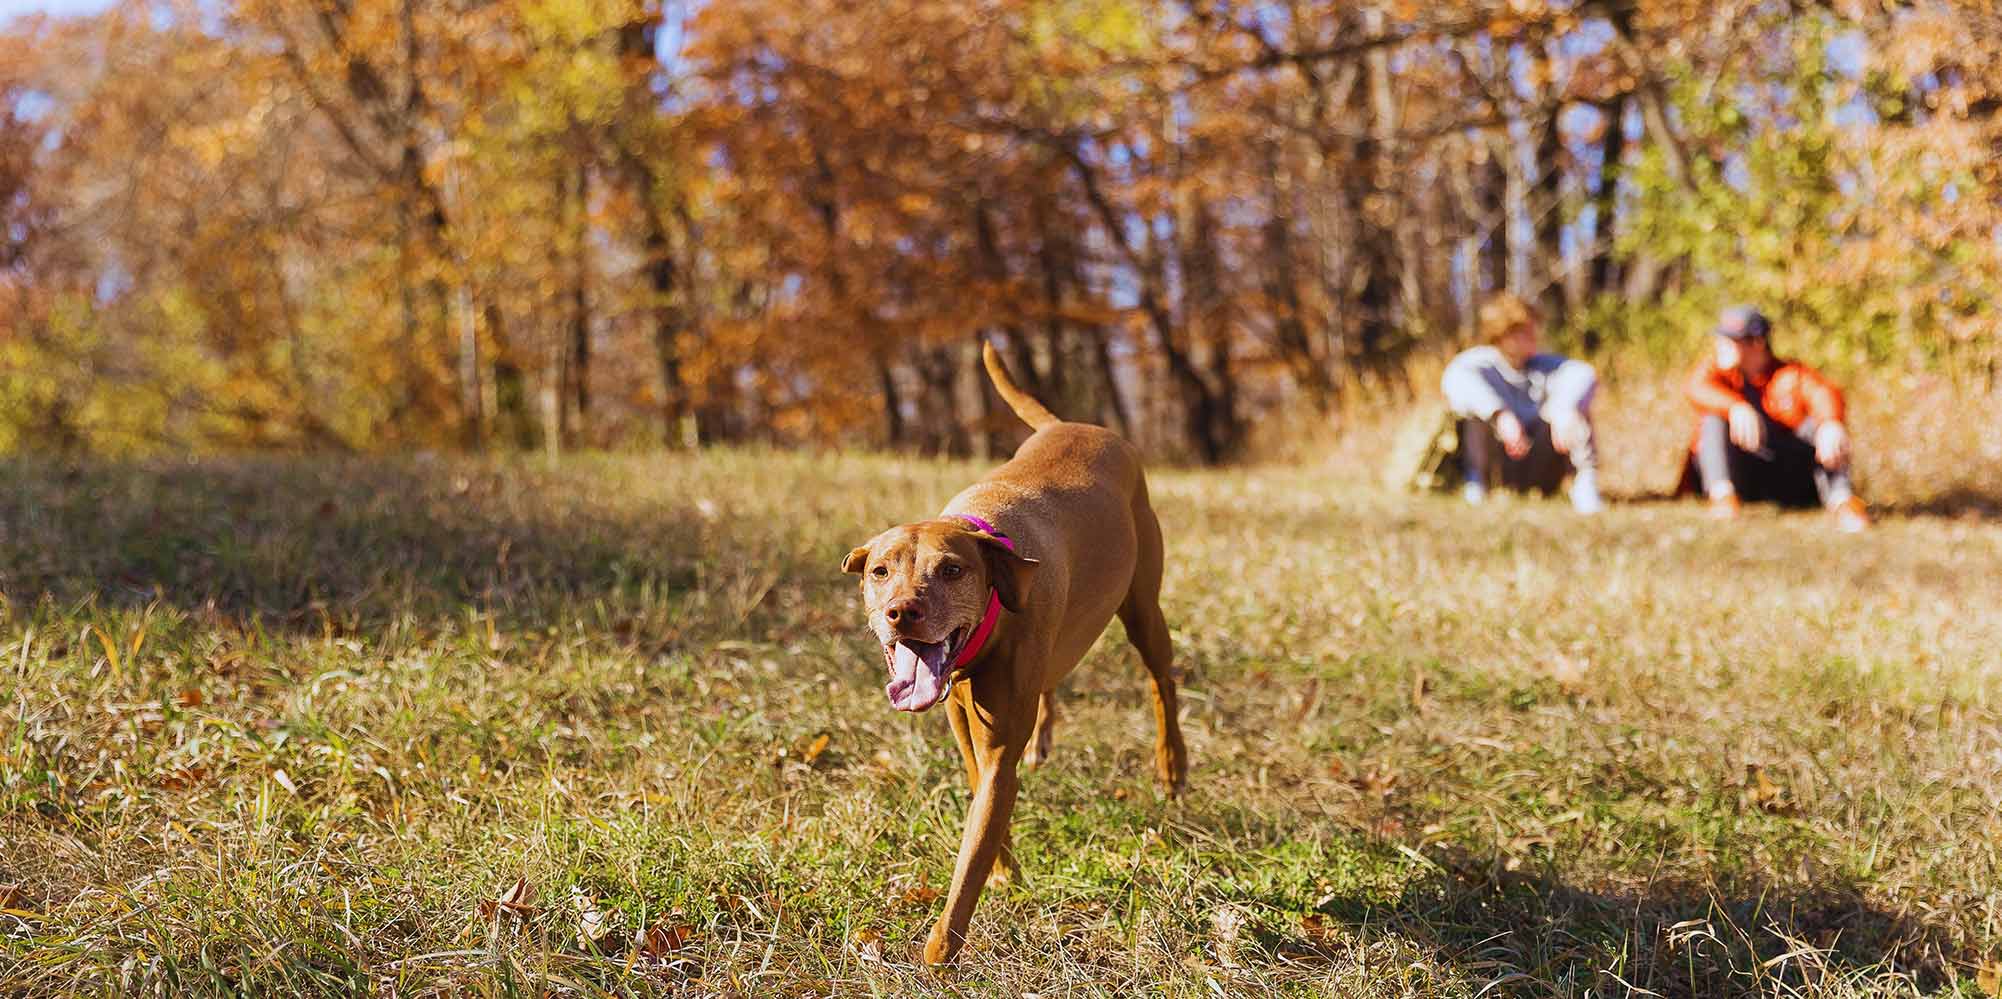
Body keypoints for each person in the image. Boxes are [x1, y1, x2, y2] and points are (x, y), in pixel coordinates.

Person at [1679, 305, 1869, 532]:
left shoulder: (1789, 374)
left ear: (1757, 342)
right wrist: (1736, 406)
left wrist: (1831, 422)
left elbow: (1823, 392)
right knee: (1713, 420)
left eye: (1731, 340)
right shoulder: (1718, 371)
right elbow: (1694, 386)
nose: (1720, 346)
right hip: (1740, 469)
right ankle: (1722, 497)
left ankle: (1843, 501)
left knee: (1818, 429)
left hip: (1785, 473)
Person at [1440, 294, 1602, 513]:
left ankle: (1584, 486)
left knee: (1576, 411)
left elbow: (1584, 374)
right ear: (1502, 334)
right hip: (1496, 463)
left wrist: (1564, 410)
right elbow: (1454, 378)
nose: (1534, 335)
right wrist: (1500, 414)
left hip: (1539, 463)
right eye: (1524, 331)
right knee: (1472, 414)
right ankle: (1476, 484)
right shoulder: (1479, 363)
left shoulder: (1544, 366)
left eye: (1534, 328)